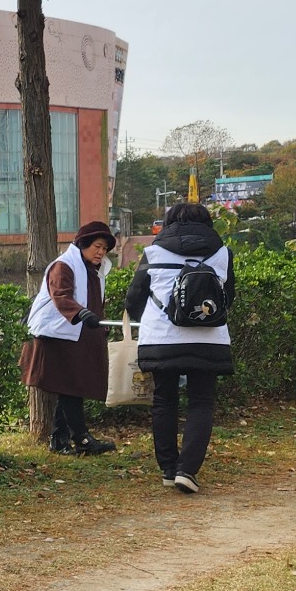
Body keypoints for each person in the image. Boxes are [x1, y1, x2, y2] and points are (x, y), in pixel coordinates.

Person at [125, 202, 236, 494]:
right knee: (202, 401)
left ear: (168, 223)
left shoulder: (153, 252)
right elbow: (229, 297)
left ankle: (168, 468)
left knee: (164, 400)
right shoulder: (222, 254)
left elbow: (134, 297)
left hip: (162, 339)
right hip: (208, 338)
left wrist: (149, 321)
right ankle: (187, 470)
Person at [20, 220, 118, 456]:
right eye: (97, 246)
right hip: (56, 333)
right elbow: (60, 295)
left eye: (104, 248)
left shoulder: (94, 270)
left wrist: (100, 324)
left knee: (71, 386)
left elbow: (94, 301)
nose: (101, 252)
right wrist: (82, 314)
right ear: (83, 244)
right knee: (70, 386)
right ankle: (79, 437)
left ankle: (60, 438)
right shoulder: (63, 266)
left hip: (76, 333)